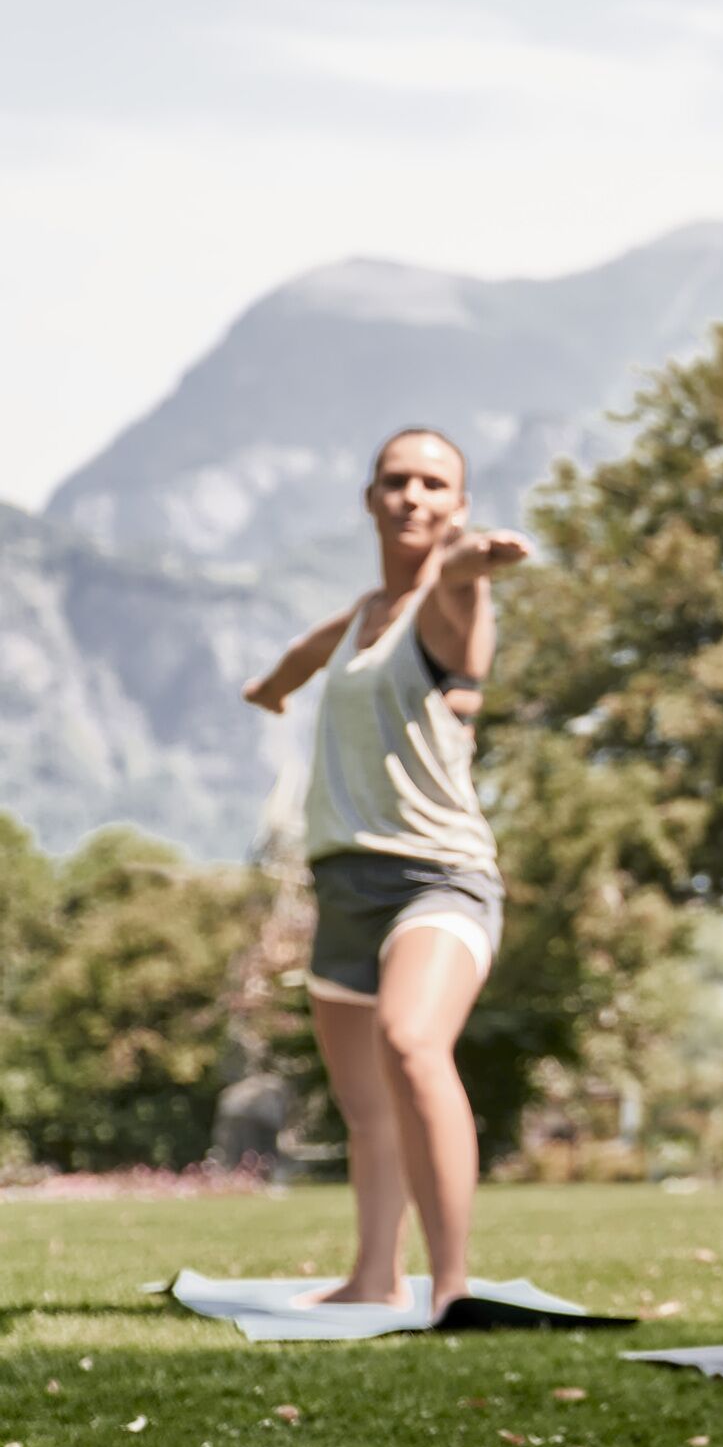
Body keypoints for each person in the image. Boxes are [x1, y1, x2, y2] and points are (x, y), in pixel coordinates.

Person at [241, 428, 531, 1321]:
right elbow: (297, 660)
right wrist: (273, 687)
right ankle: (374, 1275)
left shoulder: (446, 601)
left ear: (457, 505)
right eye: (396, 481)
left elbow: (460, 594)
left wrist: (475, 561)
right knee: (366, 1108)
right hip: (344, 883)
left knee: (412, 1044)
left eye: (433, 484)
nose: (412, 496)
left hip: (436, 878)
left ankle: (452, 1288)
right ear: (370, 498)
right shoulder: (361, 615)